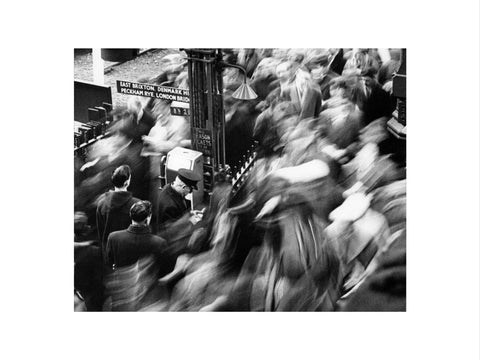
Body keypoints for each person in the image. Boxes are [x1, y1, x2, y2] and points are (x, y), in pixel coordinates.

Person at [105, 201, 175, 311]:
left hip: (122, 295)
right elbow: (166, 271)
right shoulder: (159, 243)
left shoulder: (114, 238)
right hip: (148, 300)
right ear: (148, 218)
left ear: (130, 215)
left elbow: (109, 262)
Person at [96, 165, 140, 264]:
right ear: (127, 182)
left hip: (110, 255)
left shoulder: (101, 204)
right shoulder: (136, 204)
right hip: (130, 255)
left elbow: (101, 234)